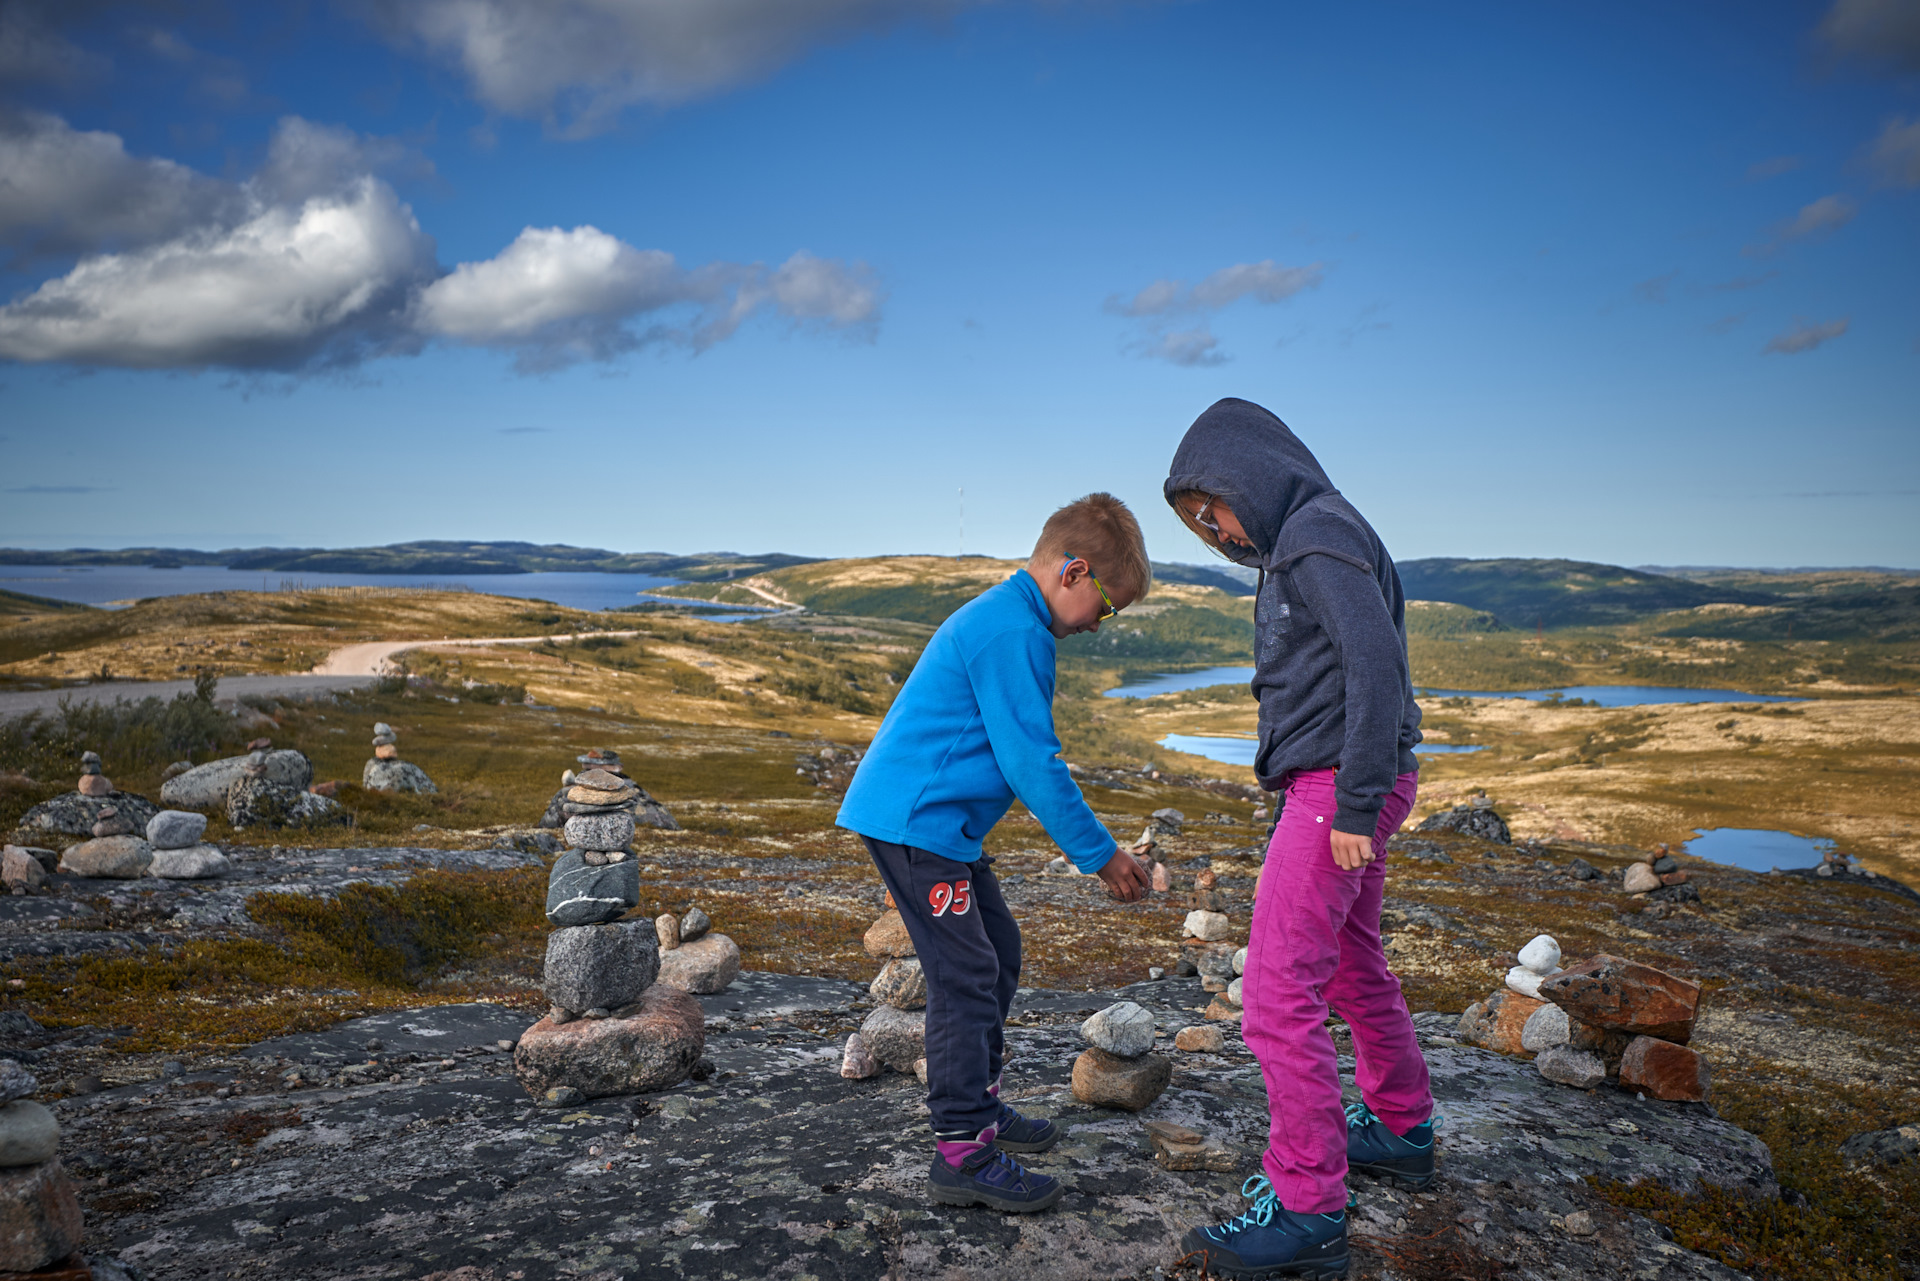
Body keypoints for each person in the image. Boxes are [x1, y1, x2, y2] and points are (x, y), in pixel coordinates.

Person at [1165, 399, 1435, 1279]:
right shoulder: (1315, 532)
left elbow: (1376, 666)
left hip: (1336, 793)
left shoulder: (1314, 536)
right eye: (1199, 524)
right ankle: (1400, 1124)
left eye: (1213, 510)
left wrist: (1352, 804)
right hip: (1348, 785)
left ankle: (1308, 1205)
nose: (1214, 532)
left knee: (1279, 989)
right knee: (1351, 958)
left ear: (1250, 470)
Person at [836, 492, 1154, 1213]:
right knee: (966, 969)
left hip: (940, 828)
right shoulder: (1016, 632)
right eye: (1106, 606)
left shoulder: (1013, 617)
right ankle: (961, 1150)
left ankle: (978, 1101)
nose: (1102, 624)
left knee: (998, 950)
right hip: (916, 825)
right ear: (1074, 572)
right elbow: (1031, 762)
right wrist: (1101, 855)